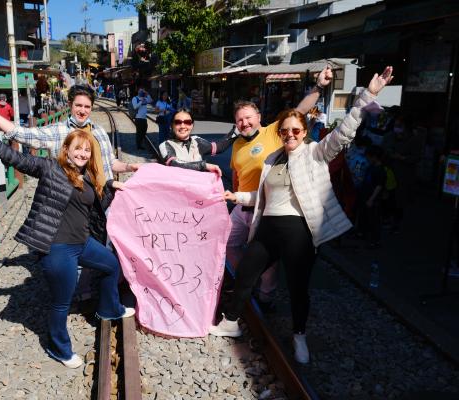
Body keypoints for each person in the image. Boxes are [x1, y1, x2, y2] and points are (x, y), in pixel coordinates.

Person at [210, 66, 394, 365]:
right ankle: (230, 322)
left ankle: (299, 336)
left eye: (295, 131)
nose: (290, 135)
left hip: (298, 232)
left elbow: (345, 130)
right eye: (285, 131)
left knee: (298, 288)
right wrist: (237, 196)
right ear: (279, 133)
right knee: (245, 273)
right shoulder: (271, 159)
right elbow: (264, 196)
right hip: (268, 227)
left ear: (304, 133)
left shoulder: (315, 153)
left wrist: (369, 94)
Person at [0, 115, 135, 368]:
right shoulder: (50, 168)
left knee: (111, 264)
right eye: (78, 149)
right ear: (67, 150)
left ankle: (109, 308)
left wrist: (112, 187)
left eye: (87, 150)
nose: (83, 154)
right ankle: (58, 348)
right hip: (57, 247)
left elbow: (96, 203)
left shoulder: (88, 176)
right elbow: (13, 157)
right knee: (61, 301)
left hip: (83, 242)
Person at [227, 66, 335, 311]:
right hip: (241, 205)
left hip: (266, 209)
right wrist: (235, 197)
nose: (244, 123)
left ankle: (265, 297)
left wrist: (319, 86)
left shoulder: (274, 133)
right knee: (229, 246)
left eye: (248, 117)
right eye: (240, 120)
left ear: (258, 118)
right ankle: (247, 276)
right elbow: (236, 174)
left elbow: (300, 110)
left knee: (269, 262)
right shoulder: (236, 146)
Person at [0, 85, 139, 186]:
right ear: (70, 105)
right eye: (78, 105)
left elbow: (111, 162)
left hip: (103, 200)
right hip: (72, 203)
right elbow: (21, 134)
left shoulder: (99, 131)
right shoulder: (58, 131)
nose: (82, 111)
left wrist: (129, 167)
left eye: (87, 107)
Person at [158, 109, 235, 176]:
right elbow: (174, 163)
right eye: (178, 122)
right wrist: (203, 165)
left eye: (187, 122)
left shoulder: (197, 141)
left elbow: (218, 147)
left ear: (192, 125)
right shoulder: (165, 145)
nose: (182, 126)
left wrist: (235, 132)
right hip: (176, 191)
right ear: (172, 126)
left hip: (198, 190)